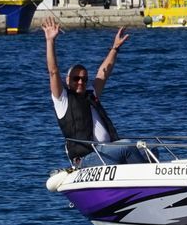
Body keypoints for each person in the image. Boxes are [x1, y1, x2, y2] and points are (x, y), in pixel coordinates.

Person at [45, 17, 140, 166]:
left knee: (150, 149)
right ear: (67, 80)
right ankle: (144, 179)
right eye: (76, 78)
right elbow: (53, 71)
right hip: (86, 159)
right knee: (127, 146)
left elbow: (103, 73)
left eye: (84, 79)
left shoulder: (91, 94)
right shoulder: (62, 99)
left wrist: (115, 48)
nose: (81, 82)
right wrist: (50, 41)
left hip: (107, 153)